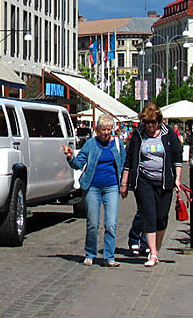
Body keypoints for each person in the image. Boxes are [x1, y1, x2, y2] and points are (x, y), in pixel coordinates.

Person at [120, 102, 182, 268]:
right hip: (143, 181)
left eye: (152, 122)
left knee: (161, 218)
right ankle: (152, 252)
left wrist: (177, 178)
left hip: (164, 182)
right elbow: (129, 159)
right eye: (146, 122)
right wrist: (124, 183)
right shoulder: (138, 135)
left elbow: (177, 157)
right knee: (148, 215)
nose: (149, 126)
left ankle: (157, 248)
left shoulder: (168, 134)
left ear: (159, 121)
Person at [62, 114, 125, 267]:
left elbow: (124, 165)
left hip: (112, 186)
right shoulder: (91, 144)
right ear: (97, 130)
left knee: (111, 223)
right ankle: (90, 253)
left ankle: (109, 256)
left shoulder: (117, 144)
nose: (106, 133)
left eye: (109, 129)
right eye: (103, 130)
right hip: (93, 186)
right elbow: (78, 164)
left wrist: (124, 184)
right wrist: (70, 157)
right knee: (93, 223)